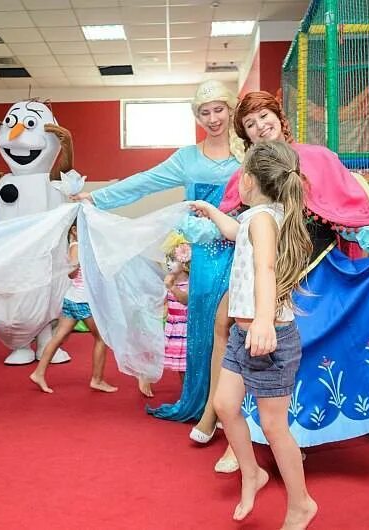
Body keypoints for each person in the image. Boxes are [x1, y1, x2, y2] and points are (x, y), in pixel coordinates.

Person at [189, 92, 369, 473]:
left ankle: (288, 436)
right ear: (244, 135)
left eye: (264, 116)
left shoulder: (318, 159)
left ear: (279, 117)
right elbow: (234, 224)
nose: (260, 126)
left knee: (292, 351)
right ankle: (237, 435)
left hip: (315, 273)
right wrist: (201, 223)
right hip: (266, 281)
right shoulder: (247, 173)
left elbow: (347, 212)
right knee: (241, 341)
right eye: (250, 124)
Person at [72, 80, 244, 428]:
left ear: (231, 110)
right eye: (205, 112)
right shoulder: (187, 158)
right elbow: (144, 181)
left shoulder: (248, 152)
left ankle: (240, 405)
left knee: (239, 324)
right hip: (206, 254)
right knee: (205, 327)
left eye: (219, 110)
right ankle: (206, 403)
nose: (213, 118)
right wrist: (97, 198)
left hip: (243, 248)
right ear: (197, 116)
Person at [192, 141, 317, 526]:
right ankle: (252, 473)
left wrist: (263, 320)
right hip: (242, 337)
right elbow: (235, 231)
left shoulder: (264, 220)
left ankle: (301, 504)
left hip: (269, 339)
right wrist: (212, 211)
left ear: (247, 180)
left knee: (274, 426)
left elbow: (266, 269)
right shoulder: (256, 216)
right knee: (225, 405)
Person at [30, 224, 117, 394]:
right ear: (74, 230)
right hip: (82, 301)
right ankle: (97, 380)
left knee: (58, 338)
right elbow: (71, 273)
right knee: (101, 339)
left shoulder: (82, 246)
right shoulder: (76, 246)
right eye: (82, 227)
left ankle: (38, 373)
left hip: (72, 298)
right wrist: (75, 264)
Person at [138, 233, 191, 398]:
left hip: (185, 326)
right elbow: (167, 302)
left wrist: (172, 287)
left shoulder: (190, 282)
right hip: (172, 325)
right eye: (168, 259)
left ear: (184, 263)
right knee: (167, 356)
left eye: (173, 260)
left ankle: (186, 393)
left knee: (184, 364)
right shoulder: (169, 281)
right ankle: (146, 377)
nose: (168, 263)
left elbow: (185, 300)